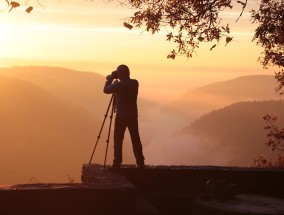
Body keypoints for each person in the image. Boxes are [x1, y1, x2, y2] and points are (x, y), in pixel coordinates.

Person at [103, 64, 145, 169]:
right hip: (133, 115)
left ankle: (117, 163)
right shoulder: (135, 83)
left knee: (118, 139)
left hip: (121, 116)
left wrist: (111, 78)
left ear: (120, 73)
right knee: (135, 138)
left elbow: (106, 90)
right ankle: (140, 162)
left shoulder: (118, 85)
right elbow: (125, 83)